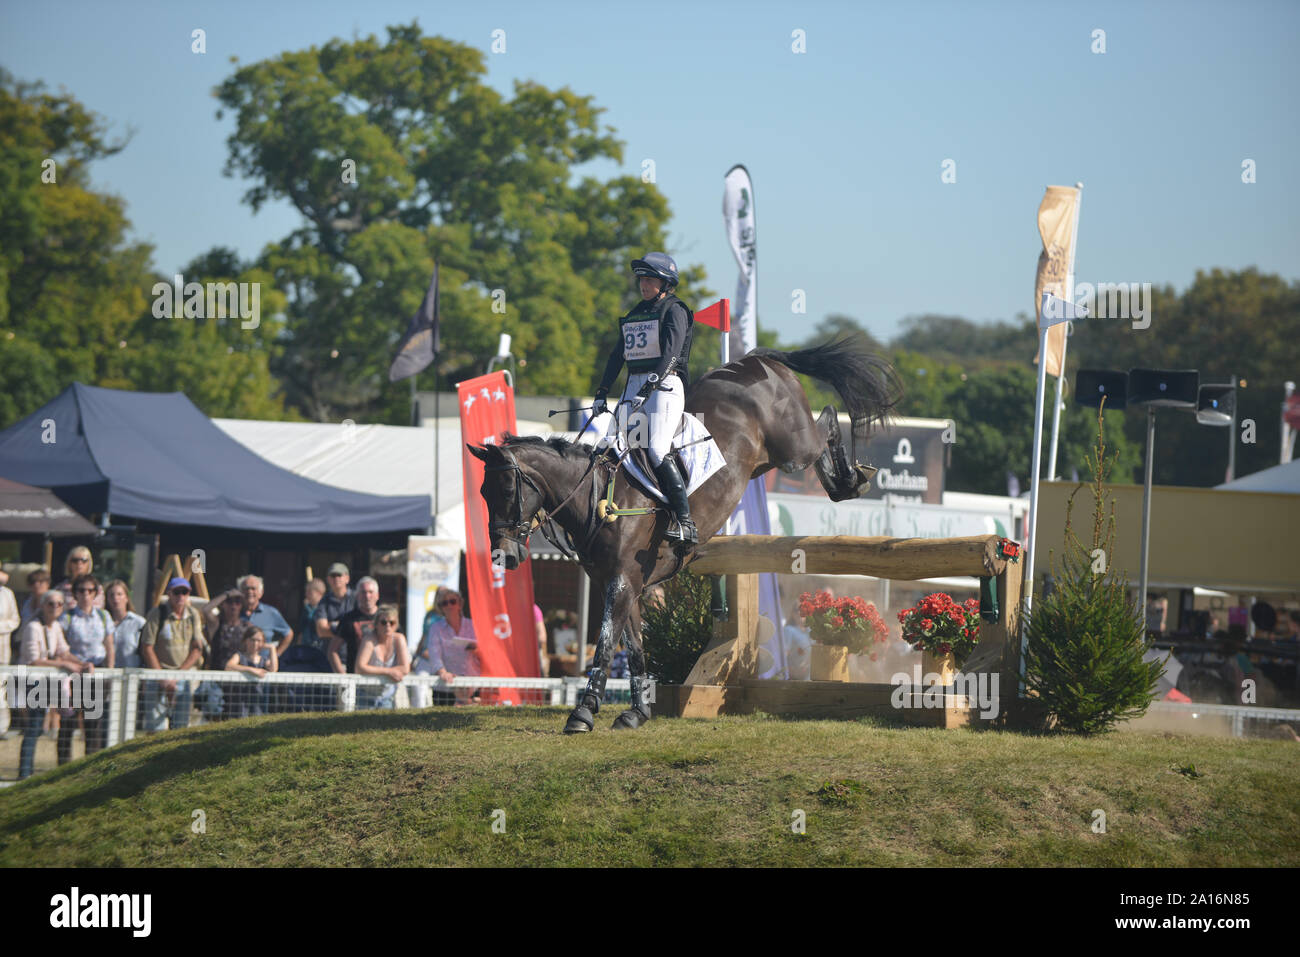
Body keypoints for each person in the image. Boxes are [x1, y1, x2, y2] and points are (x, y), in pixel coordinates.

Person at [581, 251, 697, 547]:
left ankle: (685, 521)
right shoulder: (635, 313)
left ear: (666, 282)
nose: (643, 285)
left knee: (656, 449)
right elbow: (617, 355)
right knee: (608, 448)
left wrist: (653, 383)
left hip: (665, 386)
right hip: (634, 385)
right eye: (642, 279)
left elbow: (672, 354)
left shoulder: (675, 310)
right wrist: (602, 391)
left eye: (650, 279)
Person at [17, 591, 90, 778]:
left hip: (48, 682)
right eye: (51, 603)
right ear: (42, 605)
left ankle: (29, 772)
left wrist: (81, 663)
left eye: (59, 604)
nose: (55, 607)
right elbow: (34, 660)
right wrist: (64, 664)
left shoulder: (55, 626)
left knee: (40, 726)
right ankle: (24, 773)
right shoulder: (33, 627)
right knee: (34, 727)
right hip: (32, 682)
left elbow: (63, 651)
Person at [139, 577, 205, 731]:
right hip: (158, 676)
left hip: (182, 676)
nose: (180, 596)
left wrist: (177, 676)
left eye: (185, 592)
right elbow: (147, 647)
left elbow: (197, 649)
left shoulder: (193, 614)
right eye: (176, 592)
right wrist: (162, 677)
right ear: (169, 593)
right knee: (156, 728)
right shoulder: (157, 613)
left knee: (181, 727)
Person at [58, 574, 114, 755]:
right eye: (81, 590)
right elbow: (61, 649)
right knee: (68, 723)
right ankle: (63, 769)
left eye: (90, 590)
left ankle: (89, 769)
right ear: (75, 594)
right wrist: (80, 664)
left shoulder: (103, 616)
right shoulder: (67, 617)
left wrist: (109, 673)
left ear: (95, 593)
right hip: (73, 674)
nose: (85, 594)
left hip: (97, 673)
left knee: (93, 723)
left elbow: (109, 646)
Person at [416, 587, 479, 705]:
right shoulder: (435, 628)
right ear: (441, 608)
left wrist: (476, 649)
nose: (449, 605)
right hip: (445, 685)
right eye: (445, 603)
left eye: (453, 601)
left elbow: (485, 651)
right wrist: (442, 672)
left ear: (460, 604)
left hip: (471, 685)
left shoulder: (473, 626)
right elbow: (434, 654)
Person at [355, 604, 409, 709]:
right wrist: (389, 672)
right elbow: (360, 667)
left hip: (388, 697)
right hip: (365, 697)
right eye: (383, 622)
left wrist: (376, 670)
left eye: (392, 623)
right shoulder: (369, 640)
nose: (388, 626)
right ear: (376, 624)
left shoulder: (399, 639)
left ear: (396, 625)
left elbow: (405, 668)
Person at [328, 576, 380, 676]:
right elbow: (332, 650)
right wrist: (343, 675)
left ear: (377, 595)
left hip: (382, 679)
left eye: (370, 592)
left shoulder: (387, 619)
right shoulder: (348, 619)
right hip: (356, 679)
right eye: (363, 592)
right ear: (357, 596)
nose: (367, 596)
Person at [225, 625, 278, 718]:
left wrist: (272, 649)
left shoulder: (263, 660)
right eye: (252, 640)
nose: (255, 643)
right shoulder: (239, 656)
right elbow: (229, 666)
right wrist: (251, 669)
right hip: (240, 702)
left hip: (258, 702)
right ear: (246, 640)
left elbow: (273, 669)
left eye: (259, 641)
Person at [238, 575, 293, 657]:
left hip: (263, 666)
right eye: (246, 588)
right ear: (240, 592)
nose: (249, 591)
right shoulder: (234, 612)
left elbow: (289, 634)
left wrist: (276, 655)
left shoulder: (271, 613)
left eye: (253, 588)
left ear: (261, 593)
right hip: (237, 666)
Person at [314, 563, 356, 651]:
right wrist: (347, 629)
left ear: (347, 578)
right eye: (333, 575)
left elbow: (358, 629)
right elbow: (321, 631)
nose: (336, 578)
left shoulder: (357, 598)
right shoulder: (324, 601)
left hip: (353, 654)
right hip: (329, 654)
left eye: (339, 575)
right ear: (328, 579)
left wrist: (332, 625)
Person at [104, 579, 145, 668]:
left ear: (126, 597)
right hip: (106, 675)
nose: (115, 598)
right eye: (111, 595)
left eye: (119, 594)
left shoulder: (138, 622)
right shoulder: (102, 622)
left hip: (131, 675)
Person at [0, 572, 18, 738]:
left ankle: (3, 728)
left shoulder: (7, 594)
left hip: (2, 652)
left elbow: (15, 620)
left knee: (1, 690)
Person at [299, 579, 328, 652]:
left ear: (319, 593)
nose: (306, 594)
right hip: (305, 648)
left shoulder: (327, 609)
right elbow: (302, 631)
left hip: (320, 649)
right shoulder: (306, 609)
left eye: (309, 592)